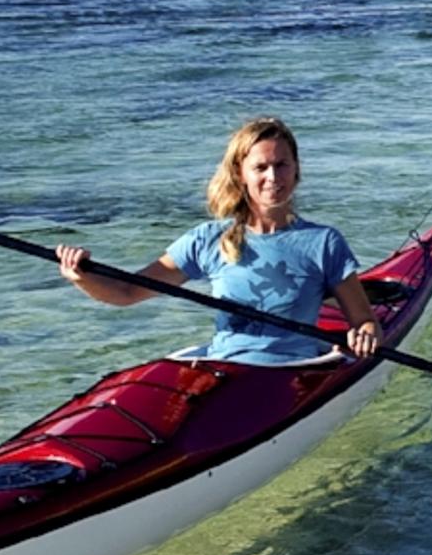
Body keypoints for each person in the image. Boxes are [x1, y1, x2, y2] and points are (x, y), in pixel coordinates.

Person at [57, 115, 383, 367]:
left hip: (295, 374)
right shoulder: (208, 239)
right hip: (227, 374)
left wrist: (365, 337)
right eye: (261, 167)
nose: (273, 177)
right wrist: (81, 277)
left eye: (281, 165)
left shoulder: (323, 242)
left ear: (296, 169)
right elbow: (127, 292)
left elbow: (366, 322)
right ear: (241, 174)